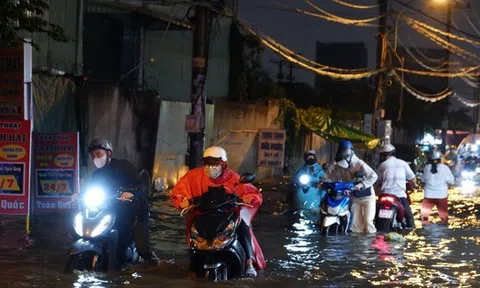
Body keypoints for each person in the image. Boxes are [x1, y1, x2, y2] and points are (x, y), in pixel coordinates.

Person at [170, 146, 266, 277]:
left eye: (215, 164)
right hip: (202, 215)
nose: (211, 168)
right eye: (207, 164)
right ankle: (193, 264)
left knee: (243, 227)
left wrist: (249, 199)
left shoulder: (233, 178)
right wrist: (183, 201)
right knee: (194, 236)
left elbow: (252, 192)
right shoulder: (192, 176)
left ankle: (249, 262)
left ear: (223, 165)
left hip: (226, 216)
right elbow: (178, 192)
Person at [76, 139, 158, 265]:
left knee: (140, 244)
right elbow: (89, 189)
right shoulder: (97, 175)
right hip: (108, 209)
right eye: (93, 156)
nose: (95, 158)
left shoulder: (124, 166)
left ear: (108, 153)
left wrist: (131, 193)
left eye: (98, 154)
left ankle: (147, 257)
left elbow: (141, 185)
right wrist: (79, 195)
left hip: (132, 208)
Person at [324, 140, 378, 233]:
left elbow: (374, 176)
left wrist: (361, 185)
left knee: (368, 222)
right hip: (353, 197)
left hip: (367, 196)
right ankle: (356, 245)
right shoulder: (338, 164)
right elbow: (332, 177)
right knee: (354, 225)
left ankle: (369, 245)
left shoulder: (359, 163)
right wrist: (324, 182)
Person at [376, 143, 417, 229]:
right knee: (409, 216)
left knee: (375, 214)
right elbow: (412, 179)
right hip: (399, 196)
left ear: (385, 155)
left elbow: (378, 181)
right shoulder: (403, 163)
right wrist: (414, 185)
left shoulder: (382, 165)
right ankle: (410, 229)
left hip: (385, 195)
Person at [420, 150, 454, 224]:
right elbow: (451, 180)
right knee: (444, 218)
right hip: (441, 196)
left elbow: (423, 179)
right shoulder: (445, 168)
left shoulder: (427, 168)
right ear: (440, 159)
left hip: (428, 196)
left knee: (424, 218)